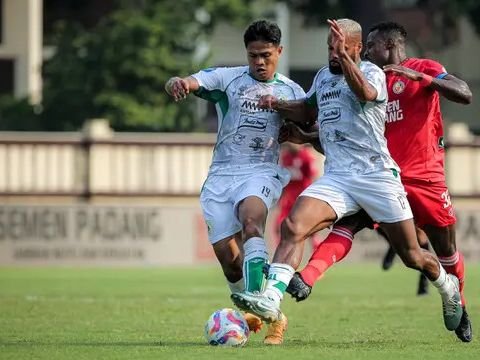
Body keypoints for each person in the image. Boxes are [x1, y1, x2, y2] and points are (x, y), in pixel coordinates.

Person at [231, 18, 463, 337]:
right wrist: (279, 104)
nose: (332, 54)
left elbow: (365, 93)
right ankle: (271, 298)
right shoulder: (324, 78)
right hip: (339, 178)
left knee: (412, 255)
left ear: (356, 49)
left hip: (377, 176)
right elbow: (307, 109)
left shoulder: (372, 73)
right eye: (329, 47)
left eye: (339, 47)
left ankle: (447, 284)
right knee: (293, 225)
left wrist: (347, 60)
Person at [165, 19, 305, 345]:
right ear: (247, 53)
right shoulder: (228, 79)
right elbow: (191, 80)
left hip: (260, 172)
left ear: (279, 52)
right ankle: (270, 312)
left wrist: (297, 132)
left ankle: (258, 309)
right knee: (230, 264)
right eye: (254, 55)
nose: (259, 61)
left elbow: (313, 128)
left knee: (252, 223)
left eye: (266, 55)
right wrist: (178, 83)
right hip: (221, 177)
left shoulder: (292, 91)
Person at [274, 143, 320, 249]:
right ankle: (280, 250)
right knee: (279, 226)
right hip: (289, 199)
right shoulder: (285, 156)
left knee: (309, 225)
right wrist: (281, 197)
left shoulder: (306, 156)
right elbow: (283, 180)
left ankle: (316, 246)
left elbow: (313, 178)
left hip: (303, 197)